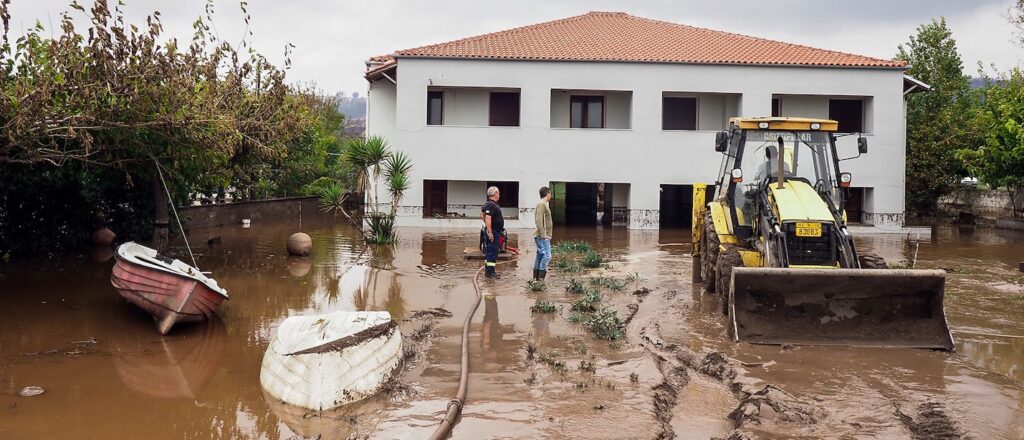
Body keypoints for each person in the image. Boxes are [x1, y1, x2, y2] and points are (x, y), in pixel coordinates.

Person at [481, 186, 504, 278]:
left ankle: (489, 272)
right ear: (495, 194)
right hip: (493, 232)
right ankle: (490, 273)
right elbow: (487, 217)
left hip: (494, 230)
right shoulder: (491, 205)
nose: (499, 195)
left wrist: (487, 225)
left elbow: (481, 213)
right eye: (498, 193)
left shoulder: (488, 204)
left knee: (490, 251)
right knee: (492, 251)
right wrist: (490, 231)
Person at [533, 186, 553, 281]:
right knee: (547, 256)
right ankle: (541, 279)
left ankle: (535, 278)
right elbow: (539, 220)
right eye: (550, 194)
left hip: (542, 235)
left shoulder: (542, 204)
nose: (551, 196)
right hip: (543, 236)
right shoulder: (542, 204)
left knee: (540, 255)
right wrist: (543, 234)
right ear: (547, 194)